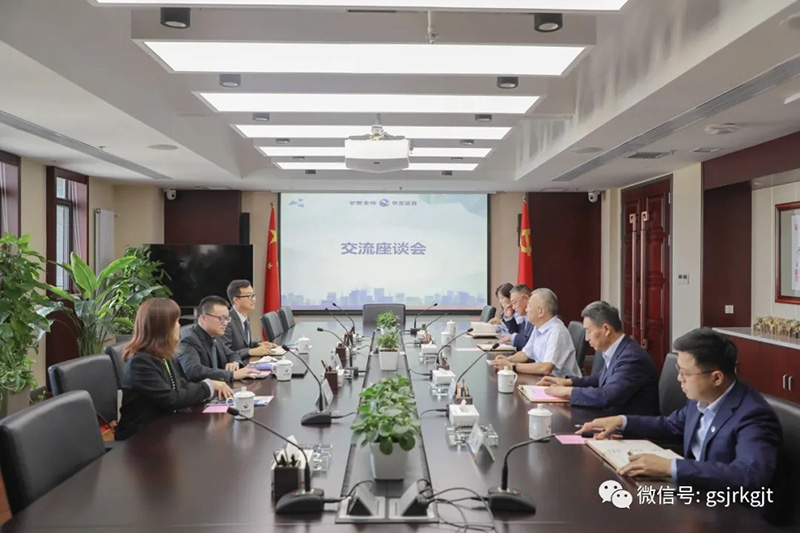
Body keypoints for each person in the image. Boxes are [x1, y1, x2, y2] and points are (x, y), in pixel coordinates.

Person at [576, 328, 781, 491]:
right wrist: (622, 421)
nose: (678, 379)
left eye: (685, 373)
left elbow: (749, 474)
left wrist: (671, 467)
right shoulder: (701, 399)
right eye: (678, 371)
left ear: (716, 378)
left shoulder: (753, 415)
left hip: (730, 511)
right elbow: (669, 425)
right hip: (694, 494)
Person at [116, 298, 233, 440]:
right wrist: (208, 386)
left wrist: (210, 385)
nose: (179, 326)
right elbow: (171, 398)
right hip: (142, 438)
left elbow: (180, 384)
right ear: (162, 327)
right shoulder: (140, 363)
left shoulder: (162, 355)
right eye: (176, 321)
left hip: (165, 430)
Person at [538, 300, 659, 415]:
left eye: (588, 331)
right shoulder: (617, 349)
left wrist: (567, 391)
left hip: (630, 426)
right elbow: (600, 378)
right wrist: (567, 382)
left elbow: (607, 395)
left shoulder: (632, 358)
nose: (586, 338)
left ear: (606, 329)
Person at [490, 288, 581, 377]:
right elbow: (525, 354)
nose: (526, 310)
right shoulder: (538, 327)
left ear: (540, 311)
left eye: (529, 306)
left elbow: (546, 368)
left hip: (563, 383)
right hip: (545, 379)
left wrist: (512, 366)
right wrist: (507, 360)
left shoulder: (557, 332)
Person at [176, 295, 261, 383]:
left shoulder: (215, 335)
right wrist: (232, 374)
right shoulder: (188, 340)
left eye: (227, 318)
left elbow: (232, 354)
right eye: (221, 318)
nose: (225, 323)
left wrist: (234, 363)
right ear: (204, 318)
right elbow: (194, 371)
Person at [220, 279, 277, 361]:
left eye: (253, 295)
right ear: (236, 300)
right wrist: (251, 351)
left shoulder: (245, 318)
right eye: (249, 296)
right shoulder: (227, 322)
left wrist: (258, 344)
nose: (253, 299)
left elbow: (243, 345)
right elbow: (224, 353)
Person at [497, 284, 534, 350]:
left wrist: (512, 337)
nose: (513, 307)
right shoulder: (525, 318)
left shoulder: (535, 318)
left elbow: (529, 343)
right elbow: (516, 333)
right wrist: (509, 317)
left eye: (514, 303)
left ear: (526, 298)